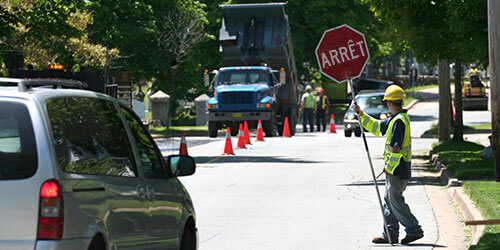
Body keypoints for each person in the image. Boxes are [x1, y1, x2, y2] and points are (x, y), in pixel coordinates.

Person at [353, 85, 424, 245]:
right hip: (396, 168)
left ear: (390, 102)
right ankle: (390, 234)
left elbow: (396, 148)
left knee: (395, 199)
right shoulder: (395, 119)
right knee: (389, 199)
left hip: (397, 169)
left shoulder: (399, 122)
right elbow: (377, 127)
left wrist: (390, 168)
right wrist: (361, 114)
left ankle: (414, 230)